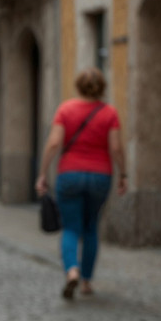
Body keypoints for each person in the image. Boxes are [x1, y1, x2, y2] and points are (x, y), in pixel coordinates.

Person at [35, 68, 126, 299]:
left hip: (70, 174)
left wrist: (43, 173)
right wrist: (123, 174)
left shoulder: (66, 109)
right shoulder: (110, 113)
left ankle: (71, 271)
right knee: (91, 227)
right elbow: (116, 147)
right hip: (100, 176)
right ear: (102, 88)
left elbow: (54, 143)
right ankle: (86, 281)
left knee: (71, 228)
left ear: (78, 86)